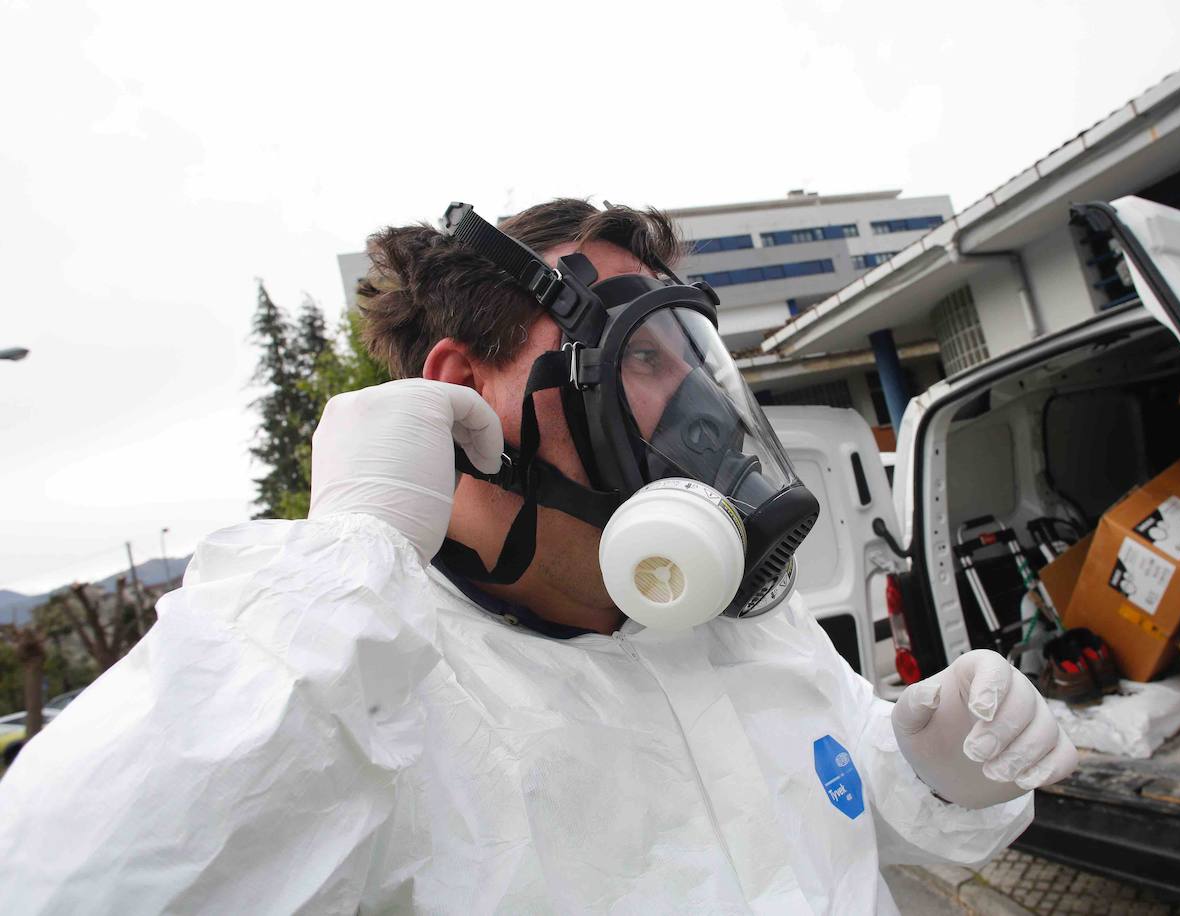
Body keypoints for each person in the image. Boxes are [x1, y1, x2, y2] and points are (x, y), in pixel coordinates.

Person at [0, 199, 1076, 913]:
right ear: (468, 387)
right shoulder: (365, 690)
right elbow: (67, 879)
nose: (697, 401)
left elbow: (856, 838)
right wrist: (343, 562)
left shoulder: (744, 628)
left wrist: (930, 772)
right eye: (644, 354)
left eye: (693, 357)